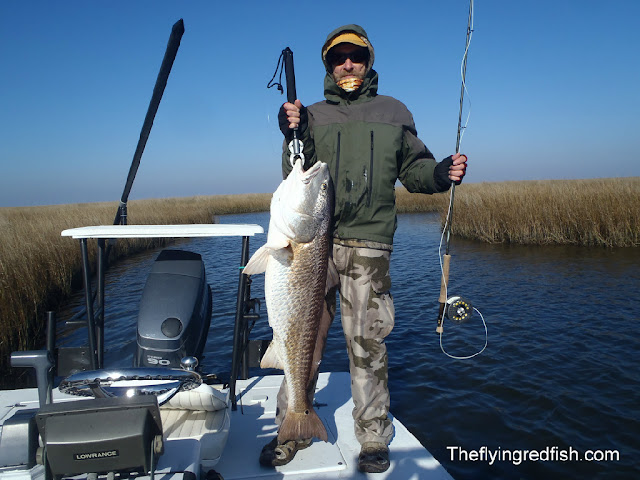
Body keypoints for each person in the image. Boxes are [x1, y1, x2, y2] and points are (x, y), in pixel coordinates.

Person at [259, 24, 468, 473]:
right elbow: (294, 172)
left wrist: (439, 174)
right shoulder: (310, 114)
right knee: (300, 338)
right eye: (338, 58)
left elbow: (414, 168)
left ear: (368, 60)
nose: (347, 64)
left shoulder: (394, 111)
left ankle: (373, 437)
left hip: (369, 244)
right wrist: (289, 131)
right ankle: (290, 425)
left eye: (355, 56)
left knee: (367, 344)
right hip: (312, 242)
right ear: (328, 67)